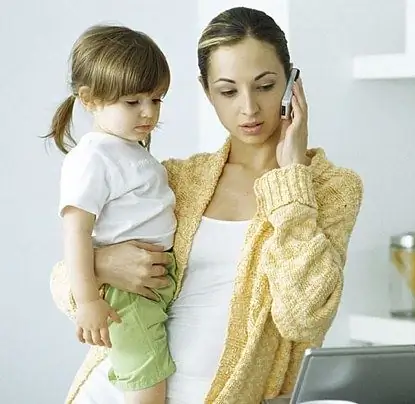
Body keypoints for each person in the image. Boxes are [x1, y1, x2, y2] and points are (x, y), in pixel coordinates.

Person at [49, 6, 364, 404]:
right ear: (207, 92)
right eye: (228, 91)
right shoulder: (178, 179)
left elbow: (303, 316)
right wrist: (104, 264)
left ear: (292, 84)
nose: (248, 108)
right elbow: (62, 284)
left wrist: (291, 179)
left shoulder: (331, 188)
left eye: (265, 86)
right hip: (117, 391)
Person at [46, 24, 178, 404]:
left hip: (148, 285)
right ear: (89, 99)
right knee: (147, 382)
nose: (148, 112)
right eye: (132, 102)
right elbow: (76, 232)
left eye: (156, 99)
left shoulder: (128, 148)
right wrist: (88, 301)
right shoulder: (93, 156)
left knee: (143, 371)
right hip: (126, 294)